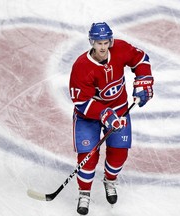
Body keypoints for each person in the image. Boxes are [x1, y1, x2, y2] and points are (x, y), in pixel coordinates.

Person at [69, 22, 153, 215]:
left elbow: (141, 59)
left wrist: (143, 81)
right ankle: (84, 192)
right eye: (99, 43)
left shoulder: (120, 49)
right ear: (92, 42)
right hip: (88, 116)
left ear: (111, 41)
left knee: (119, 154)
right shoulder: (81, 67)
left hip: (119, 110)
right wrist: (103, 113)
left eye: (106, 42)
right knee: (87, 157)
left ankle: (110, 180)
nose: (103, 47)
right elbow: (80, 101)